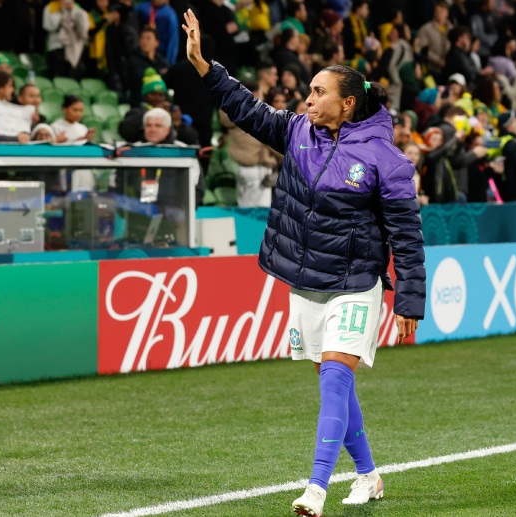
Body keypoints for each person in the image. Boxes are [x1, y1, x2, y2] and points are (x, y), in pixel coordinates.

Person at [182, 9, 425, 517]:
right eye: (309, 91)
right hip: (308, 281)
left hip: (357, 282)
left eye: (318, 92)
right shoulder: (296, 133)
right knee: (334, 380)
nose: (307, 99)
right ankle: (368, 476)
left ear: (348, 103)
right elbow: (246, 108)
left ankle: (315, 489)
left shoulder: (388, 161)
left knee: (335, 377)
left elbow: (406, 234)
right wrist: (205, 66)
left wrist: (408, 302)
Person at [135, 0, 178, 66]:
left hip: (161, 54)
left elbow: (173, 42)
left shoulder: (170, 14)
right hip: (140, 53)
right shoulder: (142, 8)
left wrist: (170, 64)